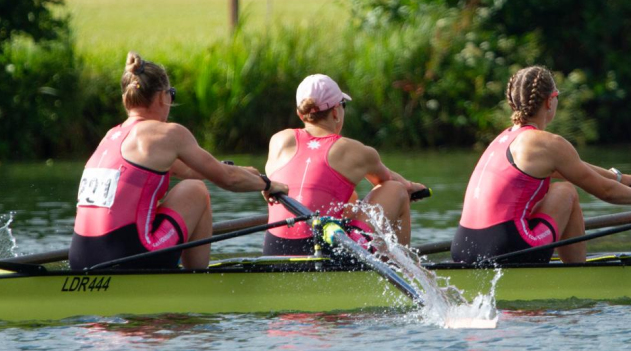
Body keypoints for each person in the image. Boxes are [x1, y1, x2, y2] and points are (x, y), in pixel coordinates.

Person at [71, 52, 288, 270]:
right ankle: (196, 283)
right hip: (128, 257)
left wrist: (243, 172)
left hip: (80, 258)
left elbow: (192, 169)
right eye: (171, 94)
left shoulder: (111, 136)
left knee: (186, 186)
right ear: (162, 97)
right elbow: (227, 180)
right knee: (197, 191)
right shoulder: (167, 134)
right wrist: (269, 185)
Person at [452, 66, 631, 265]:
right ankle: (577, 279)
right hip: (505, 248)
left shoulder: (503, 139)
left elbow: (573, 167)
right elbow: (605, 192)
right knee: (566, 191)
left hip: (462, 247)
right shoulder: (548, 142)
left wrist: (617, 177)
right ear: (549, 101)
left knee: (544, 195)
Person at [263, 74, 427, 256]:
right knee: (397, 190)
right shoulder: (354, 150)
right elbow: (386, 180)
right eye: (343, 105)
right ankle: (402, 269)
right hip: (323, 249)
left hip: (275, 249)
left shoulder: (278, 140)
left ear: (300, 114)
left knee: (350, 200)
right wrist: (411, 187)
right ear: (335, 112)